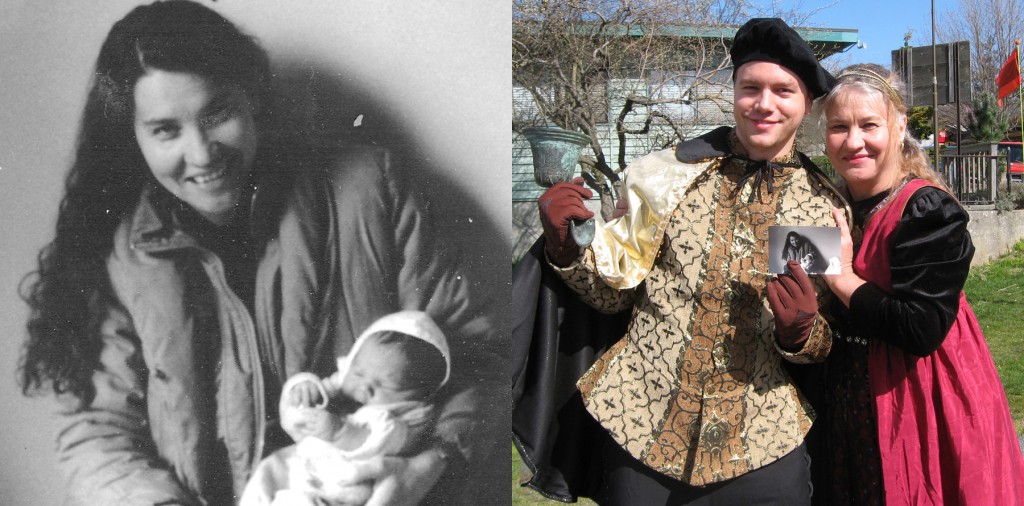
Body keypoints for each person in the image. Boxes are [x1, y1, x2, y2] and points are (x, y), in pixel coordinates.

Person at [17, 2, 500, 505]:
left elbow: (480, 359)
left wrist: (427, 468)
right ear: (133, 137)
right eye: (165, 130)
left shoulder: (371, 189)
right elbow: (99, 427)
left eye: (217, 113)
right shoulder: (123, 252)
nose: (202, 154)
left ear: (253, 99)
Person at [527, 18, 848, 504]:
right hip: (642, 429)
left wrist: (802, 333)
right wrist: (565, 248)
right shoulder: (668, 177)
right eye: (751, 88)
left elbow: (821, 341)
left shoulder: (816, 208)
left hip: (761, 444)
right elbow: (613, 297)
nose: (765, 104)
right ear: (734, 93)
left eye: (784, 90)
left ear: (805, 105)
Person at [818, 64, 1024, 505]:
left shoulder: (925, 210)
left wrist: (842, 279)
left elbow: (921, 328)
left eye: (869, 124)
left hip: (920, 400)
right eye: (839, 126)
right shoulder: (829, 205)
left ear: (899, 124)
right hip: (850, 404)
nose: (853, 141)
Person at [241, 311, 450, 506]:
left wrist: (341, 432)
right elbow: (323, 391)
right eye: (358, 373)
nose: (364, 386)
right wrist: (304, 388)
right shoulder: (345, 383)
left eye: (385, 385)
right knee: (269, 469)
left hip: (346, 481)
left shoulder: (404, 420)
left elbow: (379, 440)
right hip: (306, 463)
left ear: (417, 396)